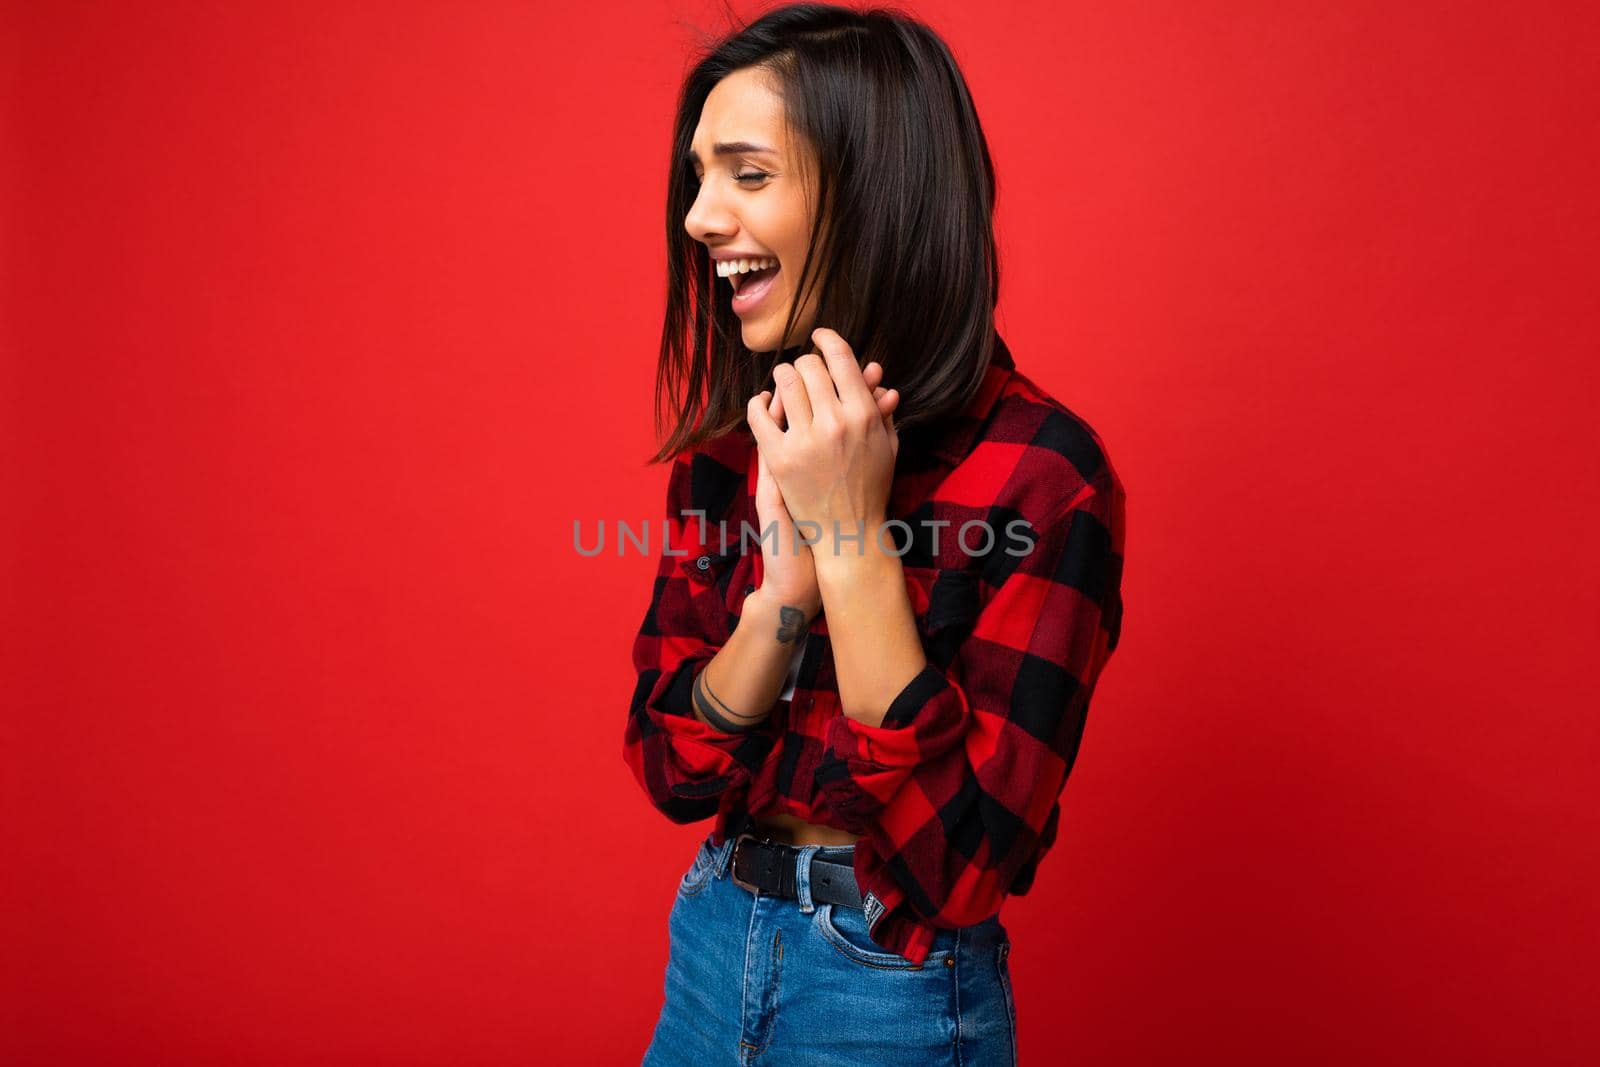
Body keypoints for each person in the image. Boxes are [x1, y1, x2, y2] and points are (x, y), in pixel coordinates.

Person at [623, 4, 1126, 1063]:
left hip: (888, 987)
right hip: (715, 939)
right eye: (698, 176)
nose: (699, 218)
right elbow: (671, 766)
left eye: (748, 175)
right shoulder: (733, 446)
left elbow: (959, 868)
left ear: (873, 197)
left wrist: (853, 538)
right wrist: (781, 593)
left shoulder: (1044, 475)